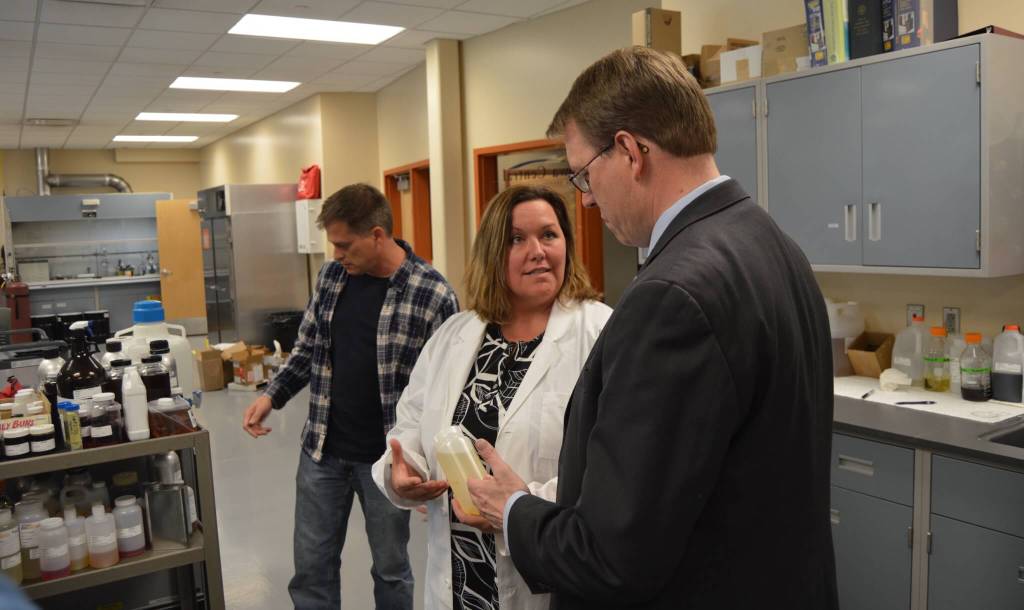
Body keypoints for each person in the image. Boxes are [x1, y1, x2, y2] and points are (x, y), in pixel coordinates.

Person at [466, 47, 838, 609]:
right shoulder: (775, 246)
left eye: (583, 177)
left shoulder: (671, 297)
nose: (585, 202)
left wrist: (514, 510)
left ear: (630, 151)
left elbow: (614, 556)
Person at [371, 185, 611, 610]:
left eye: (549, 235)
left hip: (544, 571)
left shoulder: (600, 332)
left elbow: (611, 465)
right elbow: (411, 422)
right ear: (492, 253)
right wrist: (402, 470)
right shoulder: (455, 334)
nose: (537, 251)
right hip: (460, 582)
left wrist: (517, 507)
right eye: (517, 239)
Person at [242, 183, 459, 610]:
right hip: (322, 451)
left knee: (392, 571)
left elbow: (446, 392)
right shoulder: (332, 277)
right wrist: (272, 396)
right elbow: (308, 349)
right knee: (311, 570)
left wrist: (430, 467)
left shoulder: (433, 294)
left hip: (386, 459)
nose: (338, 255)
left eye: (345, 245)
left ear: (378, 235)